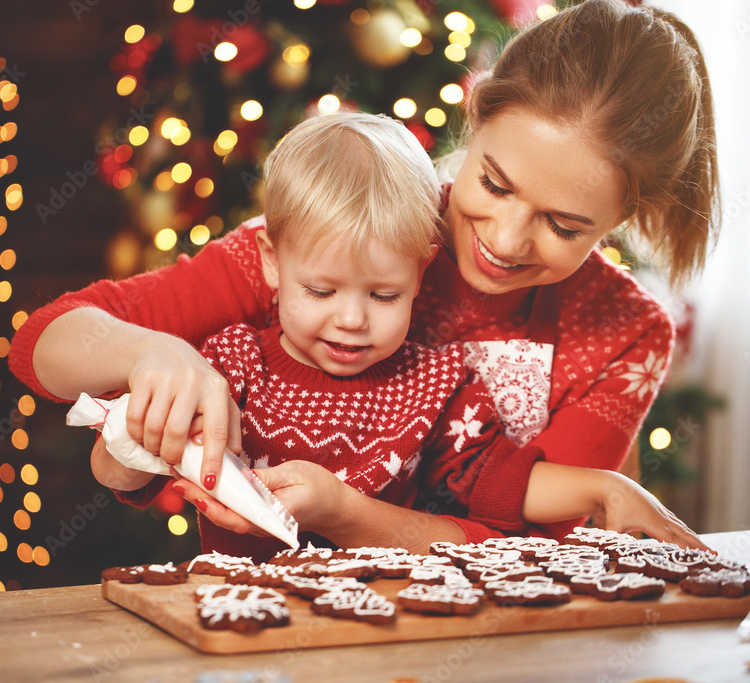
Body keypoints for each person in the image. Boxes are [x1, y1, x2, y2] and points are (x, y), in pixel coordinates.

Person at [9, 0, 718, 548]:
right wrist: (147, 351)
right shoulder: (352, 234)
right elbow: (42, 343)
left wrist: (348, 515)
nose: (504, 240)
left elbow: (531, 550)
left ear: (625, 215)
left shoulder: (624, 331)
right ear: (475, 115)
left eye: (564, 226)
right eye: (494, 184)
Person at [88, 112, 704, 560]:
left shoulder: (437, 383)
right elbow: (127, 467)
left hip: (405, 614)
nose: (352, 319)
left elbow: (498, 480)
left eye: (383, 296)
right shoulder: (231, 362)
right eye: (322, 292)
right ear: (273, 264)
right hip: (252, 617)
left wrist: (605, 487)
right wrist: (128, 443)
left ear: (421, 271)